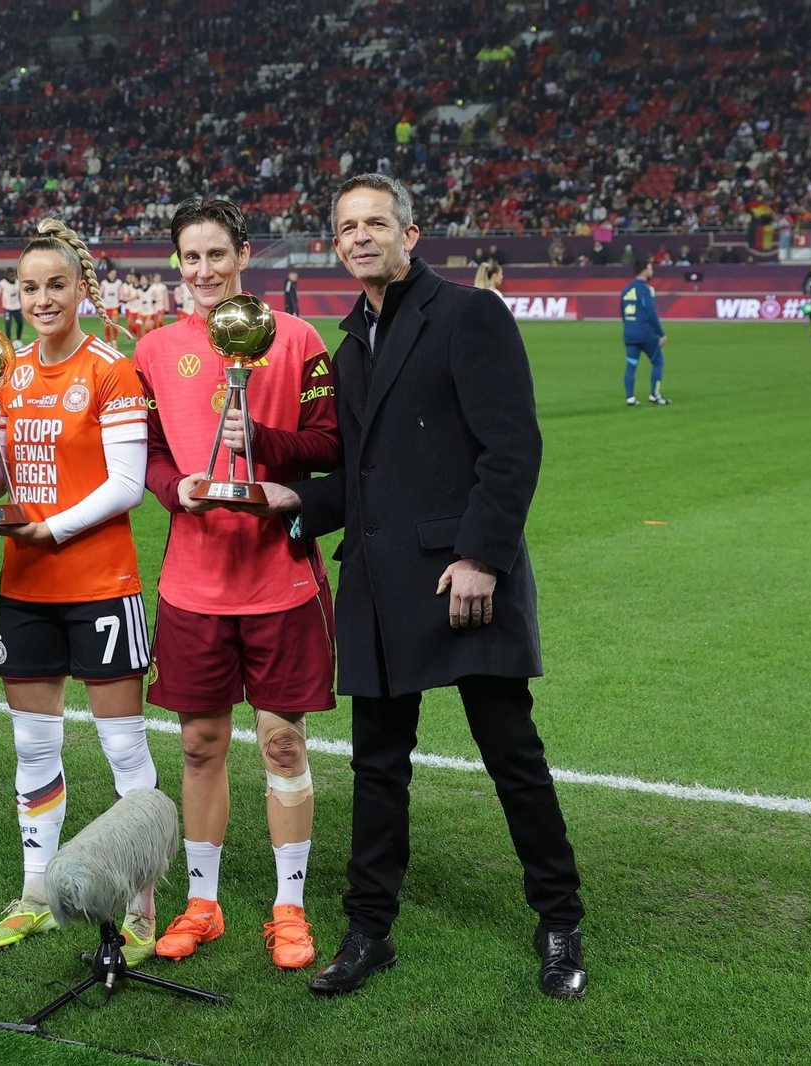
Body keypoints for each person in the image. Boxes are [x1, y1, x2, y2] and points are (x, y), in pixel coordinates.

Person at [253, 174, 587, 1000]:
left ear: (412, 232)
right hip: (380, 581)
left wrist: (482, 557)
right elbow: (364, 478)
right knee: (377, 766)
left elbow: (511, 449)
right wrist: (299, 501)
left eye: (375, 223)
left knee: (512, 755)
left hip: (460, 579)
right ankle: (370, 930)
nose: (360, 237)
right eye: (345, 227)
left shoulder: (470, 314)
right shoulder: (351, 341)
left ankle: (560, 919)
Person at [135, 197, 341, 971]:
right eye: (190, 258)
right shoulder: (155, 349)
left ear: (243, 254)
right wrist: (173, 488)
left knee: (283, 744)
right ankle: (203, 902)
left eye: (216, 255)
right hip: (194, 583)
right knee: (198, 745)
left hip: (280, 582)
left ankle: (288, 908)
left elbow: (329, 442)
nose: (203, 271)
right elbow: (149, 451)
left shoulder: (298, 338)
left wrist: (263, 445)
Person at [0, 218, 161, 965]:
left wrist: (50, 531)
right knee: (33, 750)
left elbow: (127, 486)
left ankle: (140, 907)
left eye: (56, 286)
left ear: (82, 291)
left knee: (124, 752)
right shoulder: (5, 373)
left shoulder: (112, 369)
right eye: (31, 287)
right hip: (26, 588)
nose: (42, 299)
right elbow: (7, 484)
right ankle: (36, 893)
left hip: (100, 586)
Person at [621, 261, 669, 405]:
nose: (651, 271)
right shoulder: (646, 290)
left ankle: (630, 398)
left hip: (630, 334)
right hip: (646, 334)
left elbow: (622, 313)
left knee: (631, 365)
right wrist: (661, 333)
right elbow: (651, 313)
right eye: (650, 268)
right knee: (658, 362)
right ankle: (655, 395)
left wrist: (629, 329)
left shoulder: (626, 289)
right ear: (644, 271)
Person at [0, 266, 24, 340]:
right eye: (11, 275)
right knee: (8, 325)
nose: (12, 277)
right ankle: (8, 341)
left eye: (13, 275)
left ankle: (18, 339)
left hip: (17, 306)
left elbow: (23, 293)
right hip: (8, 308)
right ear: (7, 276)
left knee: (20, 323)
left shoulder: (18, 282)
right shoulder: (2, 283)